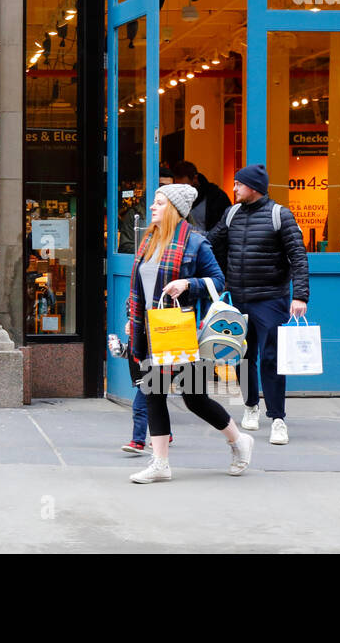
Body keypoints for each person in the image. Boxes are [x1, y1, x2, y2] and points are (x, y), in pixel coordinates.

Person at [125, 184, 254, 483]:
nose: (152, 207)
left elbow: (219, 281)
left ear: (173, 209)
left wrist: (187, 284)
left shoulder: (195, 244)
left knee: (194, 398)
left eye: (158, 203)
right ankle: (160, 463)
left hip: (180, 330)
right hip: (150, 328)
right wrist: (130, 321)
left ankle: (238, 440)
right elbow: (139, 289)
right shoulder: (149, 240)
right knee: (154, 392)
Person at [206, 163, 310, 445]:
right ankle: (251, 406)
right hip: (238, 298)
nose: (234, 188)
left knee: (272, 357)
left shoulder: (280, 216)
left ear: (253, 187)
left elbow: (298, 257)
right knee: (242, 356)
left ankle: (277, 419)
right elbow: (210, 242)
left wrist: (299, 295)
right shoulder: (231, 214)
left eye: (238, 184)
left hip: (271, 299)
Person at [172, 161, 232, 231]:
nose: (182, 190)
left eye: (185, 186)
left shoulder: (217, 197)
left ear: (195, 178)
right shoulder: (173, 197)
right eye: (177, 187)